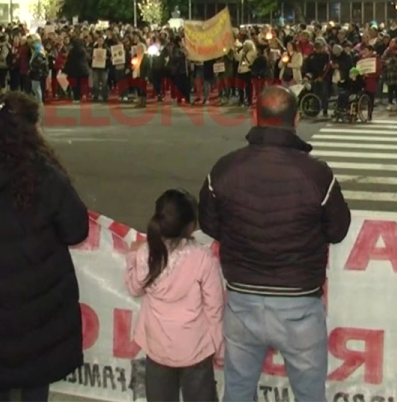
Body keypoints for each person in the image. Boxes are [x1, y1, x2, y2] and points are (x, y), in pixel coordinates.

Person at [198, 85, 351, 402]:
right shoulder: (316, 174)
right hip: (299, 304)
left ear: (254, 116)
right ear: (295, 119)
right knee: (309, 395)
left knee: (238, 391)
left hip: (241, 300)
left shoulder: (224, 169)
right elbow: (337, 230)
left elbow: (210, 225)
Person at [0, 92, 89, 402]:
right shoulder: (45, 174)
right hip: (40, 302)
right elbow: (76, 229)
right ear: (31, 128)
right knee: (36, 381)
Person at [125, 189, 222, 402]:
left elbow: (134, 288)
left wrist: (132, 256)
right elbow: (214, 308)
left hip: (157, 348)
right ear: (191, 227)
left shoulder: (146, 253)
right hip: (195, 350)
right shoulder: (202, 257)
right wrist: (218, 346)